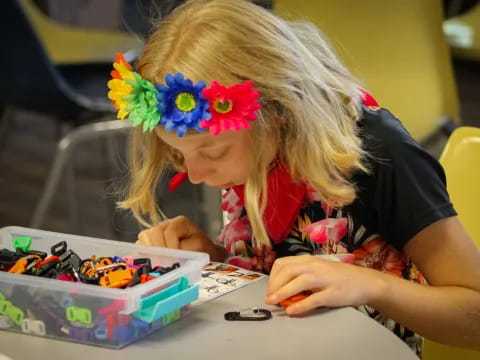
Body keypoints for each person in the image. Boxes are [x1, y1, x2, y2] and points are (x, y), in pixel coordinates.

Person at [107, 0, 480, 355]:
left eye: (214, 152)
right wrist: (213, 258)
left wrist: (373, 285)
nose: (196, 174)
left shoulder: (379, 154)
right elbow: (280, 275)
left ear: (280, 112)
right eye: (177, 155)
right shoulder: (256, 151)